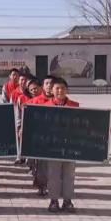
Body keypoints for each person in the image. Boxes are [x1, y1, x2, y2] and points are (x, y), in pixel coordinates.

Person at [45, 77, 79, 213]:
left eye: (63, 88)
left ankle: (67, 200)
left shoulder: (75, 106)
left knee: (69, 175)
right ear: (52, 90)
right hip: (53, 147)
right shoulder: (45, 107)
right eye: (57, 88)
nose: (60, 91)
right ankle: (53, 200)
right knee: (53, 174)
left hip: (70, 147)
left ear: (67, 90)